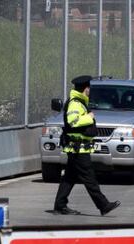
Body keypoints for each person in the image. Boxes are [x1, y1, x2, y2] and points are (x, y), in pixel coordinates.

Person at [52, 75, 120, 216]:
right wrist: (89, 117)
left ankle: (60, 205)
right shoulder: (76, 103)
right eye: (89, 88)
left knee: (69, 178)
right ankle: (103, 205)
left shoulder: (79, 102)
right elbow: (73, 121)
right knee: (90, 178)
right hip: (78, 149)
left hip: (78, 148)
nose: (90, 90)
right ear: (85, 89)